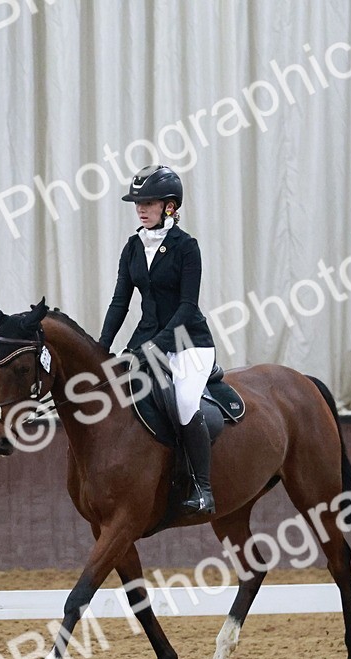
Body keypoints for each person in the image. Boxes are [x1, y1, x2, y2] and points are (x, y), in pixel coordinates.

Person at [99, 165, 216, 515]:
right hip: (146, 339)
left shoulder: (186, 247)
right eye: (138, 203)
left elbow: (187, 306)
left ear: (169, 206)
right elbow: (120, 302)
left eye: (148, 203)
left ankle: (202, 488)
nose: (140, 209)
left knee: (184, 402)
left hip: (189, 342)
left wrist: (154, 347)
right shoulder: (133, 247)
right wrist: (101, 347)